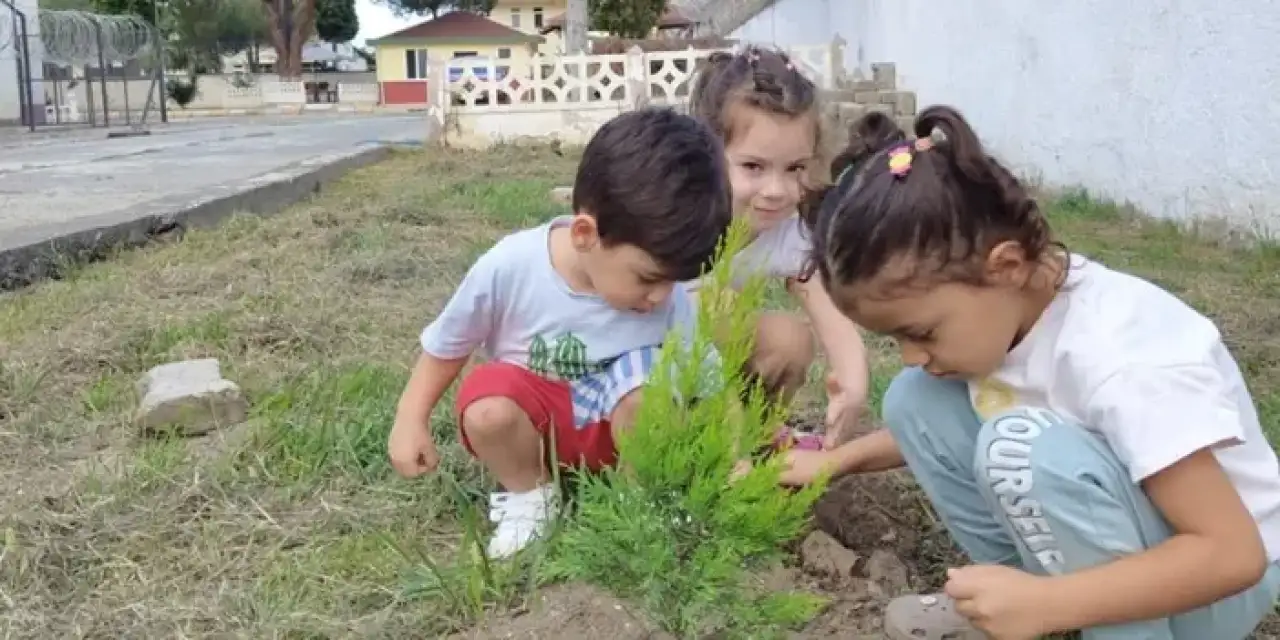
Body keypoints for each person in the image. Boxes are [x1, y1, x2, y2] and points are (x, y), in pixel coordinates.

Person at [785, 105, 1280, 639]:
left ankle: (1086, 620)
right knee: (915, 400)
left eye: (921, 332)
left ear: (1006, 266)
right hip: (1132, 549)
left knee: (1020, 447)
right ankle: (1022, 602)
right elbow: (952, 416)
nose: (909, 354)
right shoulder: (1011, 311)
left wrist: (1053, 602)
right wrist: (835, 462)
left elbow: (1234, 556)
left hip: (1210, 590)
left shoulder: (1125, 361)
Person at [386, 107, 732, 560]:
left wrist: (730, 449)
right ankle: (531, 496)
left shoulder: (669, 301)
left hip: (618, 437)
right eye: (648, 278)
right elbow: (447, 346)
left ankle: (635, 499)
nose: (660, 297)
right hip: (538, 428)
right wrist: (410, 419)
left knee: (658, 387)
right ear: (586, 234)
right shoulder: (510, 267)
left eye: (674, 282)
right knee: (487, 401)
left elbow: (702, 380)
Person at [686, 45, 872, 450]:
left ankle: (758, 439)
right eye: (753, 167)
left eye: (795, 169)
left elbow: (830, 313)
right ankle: (716, 446)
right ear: (707, 154)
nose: (777, 191)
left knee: (791, 340)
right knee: (712, 303)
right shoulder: (678, 216)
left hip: (715, 363)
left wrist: (853, 384)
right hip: (646, 373)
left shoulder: (789, 230)